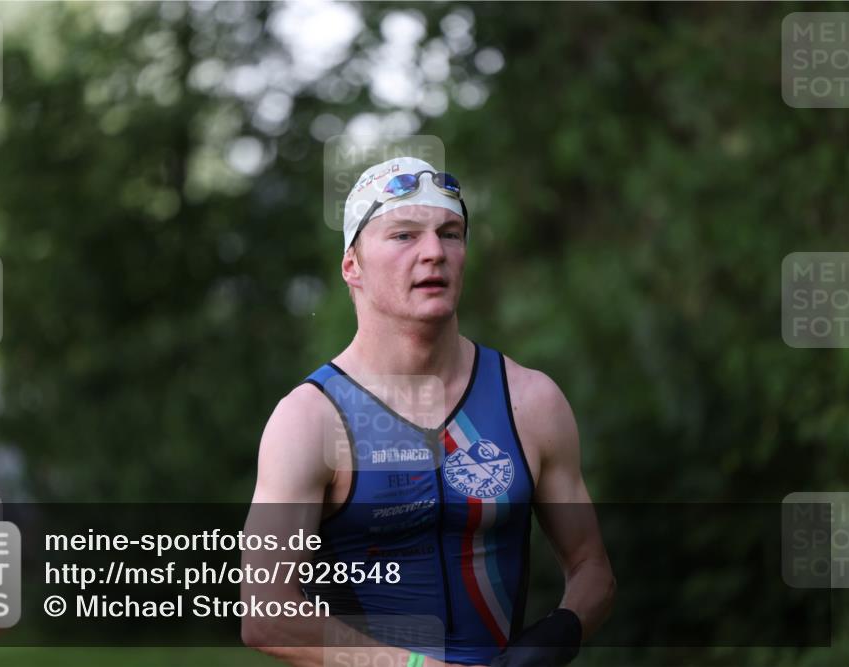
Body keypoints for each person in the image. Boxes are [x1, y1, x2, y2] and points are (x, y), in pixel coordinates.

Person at [243, 156, 615, 667]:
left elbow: (592, 567)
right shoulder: (311, 419)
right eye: (403, 236)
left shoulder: (530, 400)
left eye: (451, 233)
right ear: (352, 266)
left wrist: (558, 634)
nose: (434, 252)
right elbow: (267, 614)